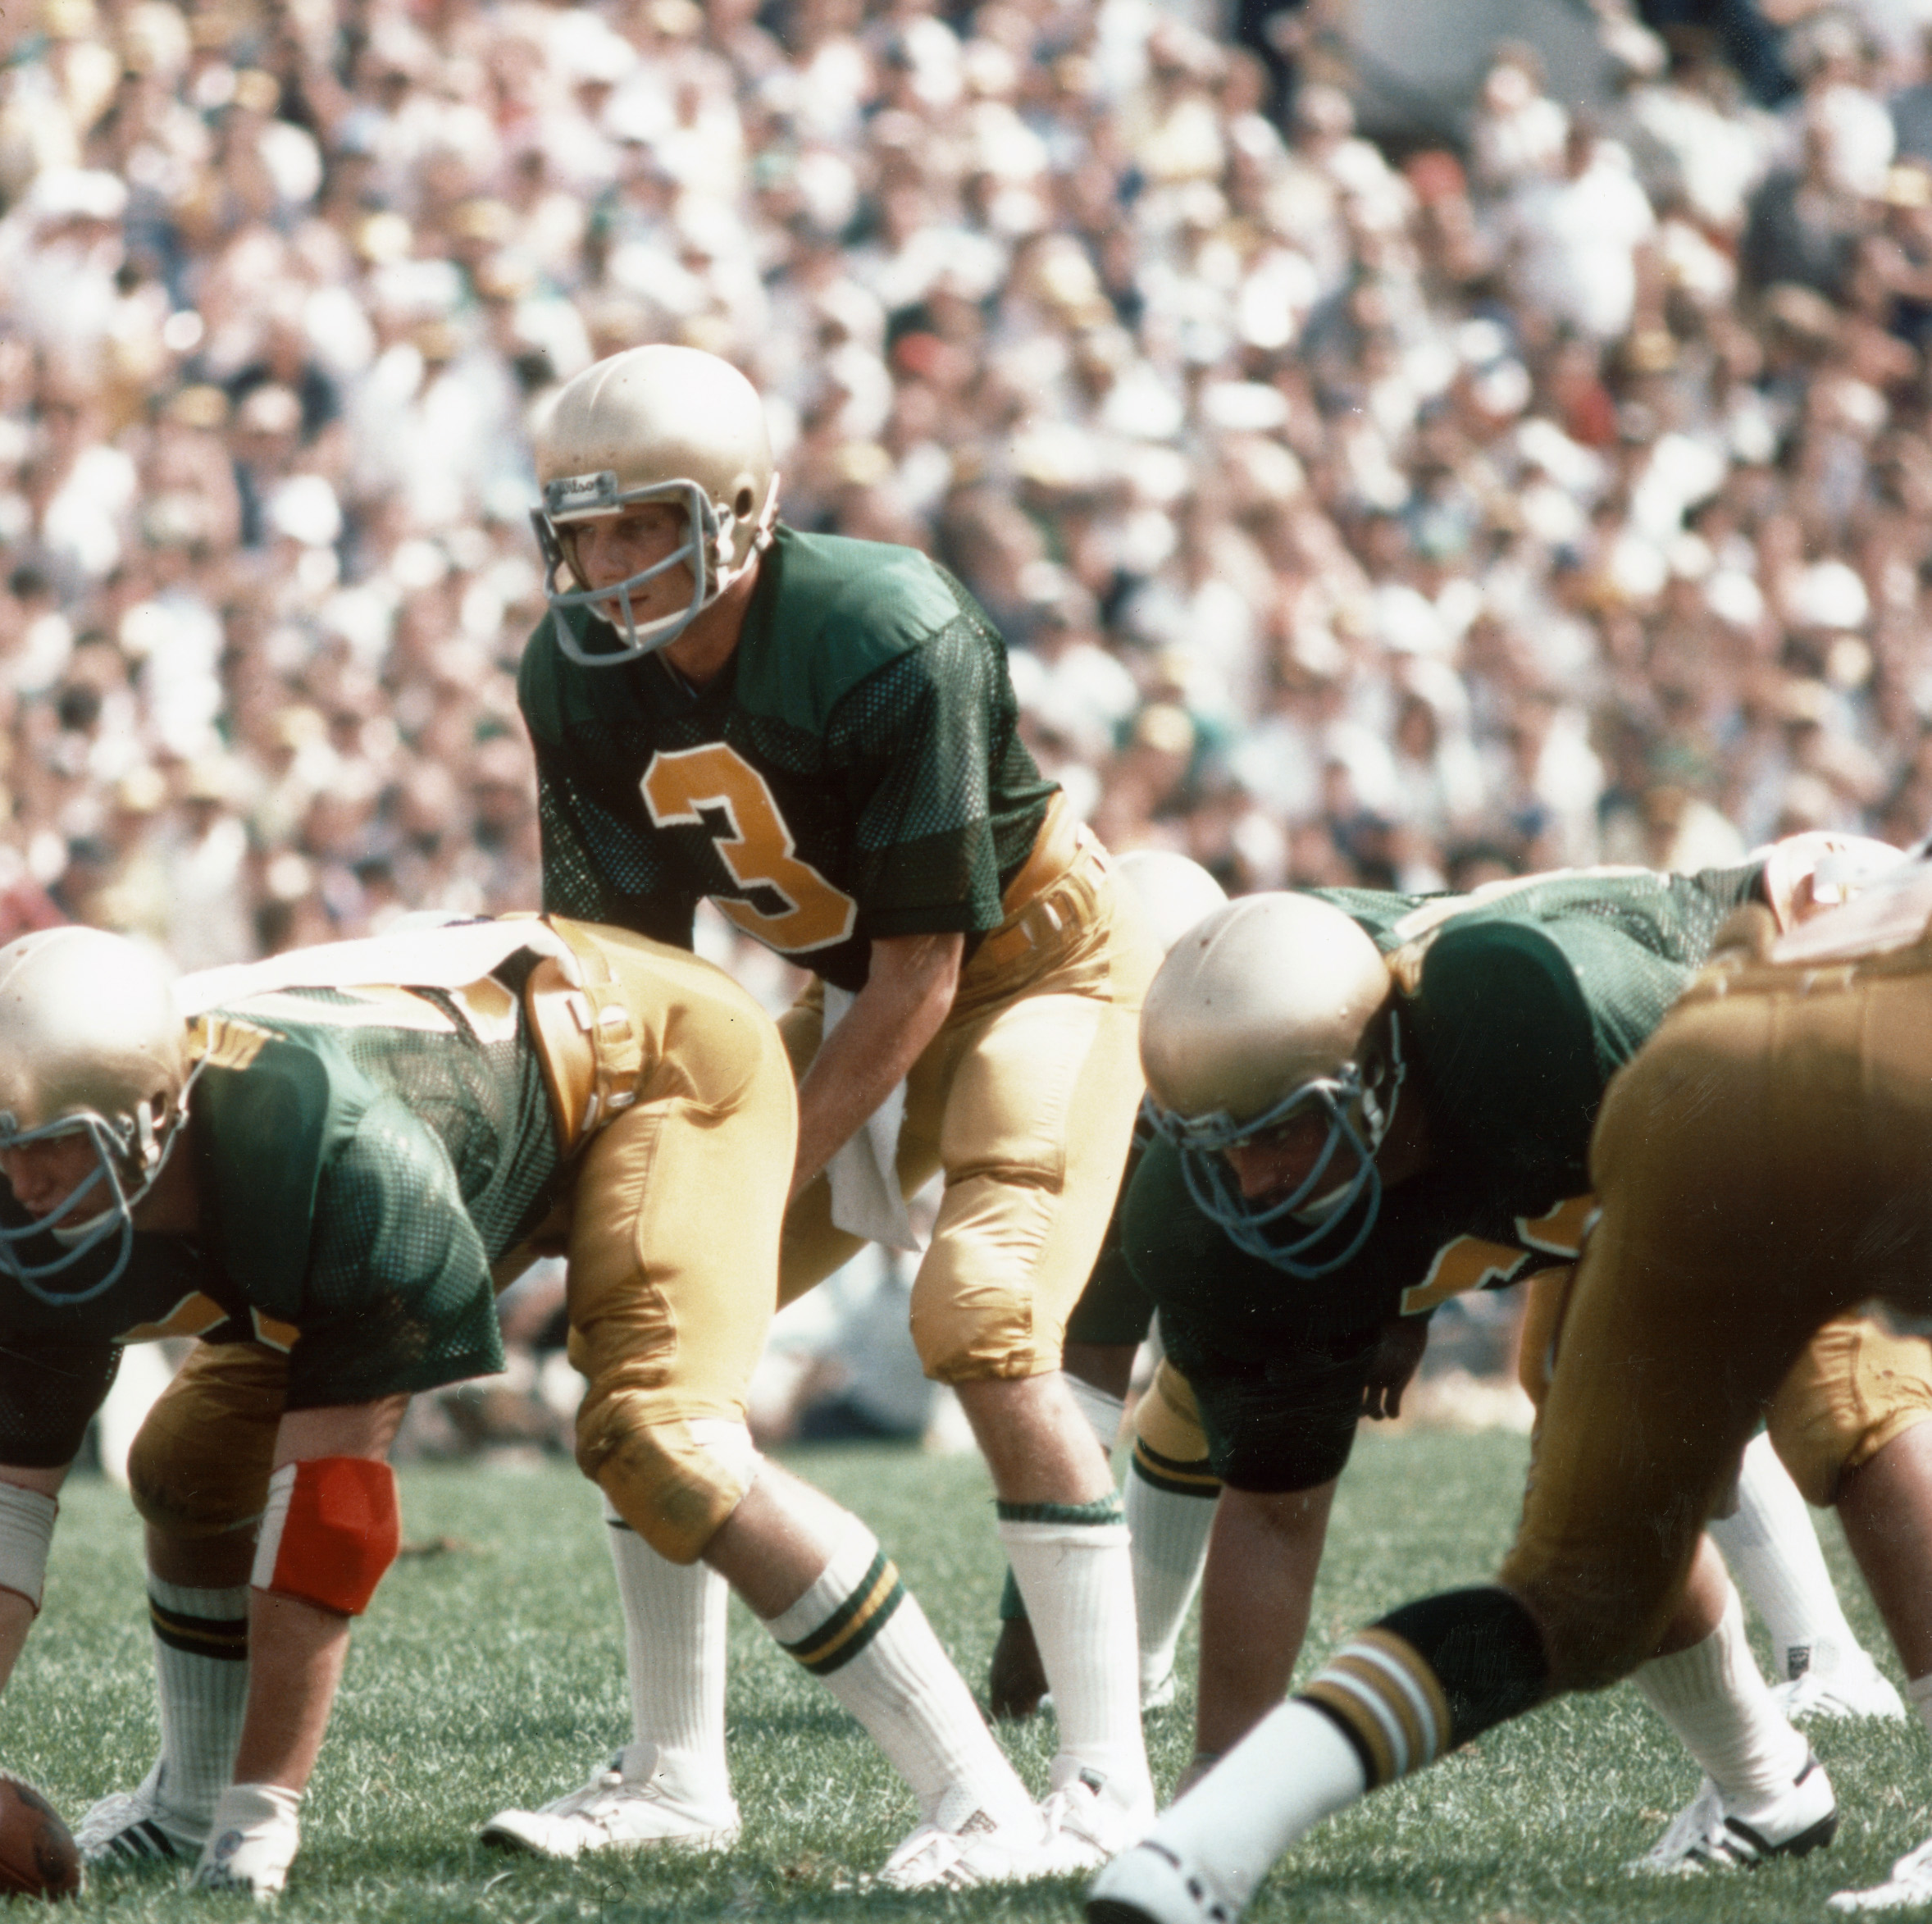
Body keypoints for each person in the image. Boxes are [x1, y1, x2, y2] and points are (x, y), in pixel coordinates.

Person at [0, 916, 1073, 1897]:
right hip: (466, 1118)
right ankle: (184, 1800)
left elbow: (330, 1510)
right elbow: (5, 1484)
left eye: (54, 1146)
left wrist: (267, 1816)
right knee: (187, 1470)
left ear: (156, 1110)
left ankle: (983, 1801)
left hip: (655, 1061)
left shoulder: (323, 1143)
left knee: (662, 1439)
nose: (18, 1182)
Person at [504, 344, 1165, 1873]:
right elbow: (631, 983)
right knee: (644, 1314)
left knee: (983, 1315)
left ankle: (1103, 1789)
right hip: (857, 983)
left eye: (643, 524)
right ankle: (674, 1772)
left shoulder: (882, 628)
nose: (608, 564)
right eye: (584, 532)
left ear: (739, 509)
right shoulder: (574, 676)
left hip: (1035, 964)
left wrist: (738, 1181)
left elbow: (931, 967)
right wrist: (596, 1194)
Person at [1087, 855, 1932, 1924]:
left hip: (1802, 1005)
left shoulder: (1539, 1015)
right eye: (1221, 1146)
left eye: (1279, 1130)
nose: (1251, 1181)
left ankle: (1837, 1668)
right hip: (1618, 1135)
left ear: (1374, 1079)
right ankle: (1768, 1792)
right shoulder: (1219, 1205)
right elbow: (1273, 1506)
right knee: (1594, 1494)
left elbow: (1727, 1129)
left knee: (1840, 1386)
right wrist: (1217, 1792)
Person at [986, 847, 1228, 1722]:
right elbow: (1086, 1385)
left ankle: (1146, 1665)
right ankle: (1138, 1670)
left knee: (1218, 1381)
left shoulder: (1267, 1060)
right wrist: (1028, 1625)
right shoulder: (1105, 1114)